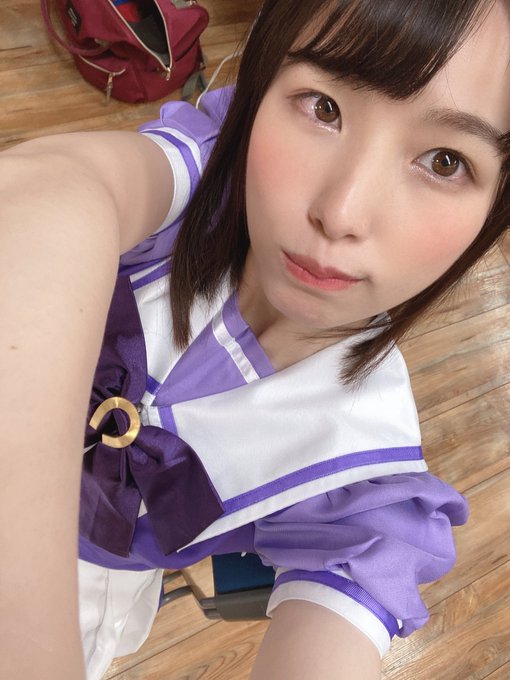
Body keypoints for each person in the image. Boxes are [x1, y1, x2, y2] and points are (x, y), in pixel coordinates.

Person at [1, 0, 509, 678]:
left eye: (445, 161)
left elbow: (340, 618)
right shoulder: (197, 181)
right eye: (324, 108)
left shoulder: (364, 475)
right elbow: (50, 192)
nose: (341, 212)